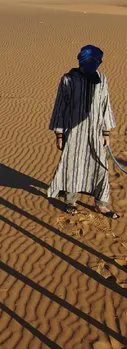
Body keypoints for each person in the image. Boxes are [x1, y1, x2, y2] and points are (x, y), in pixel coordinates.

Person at [47, 44, 119, 218]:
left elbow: (104, 105)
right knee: (73, 166)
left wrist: (106, 132)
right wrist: (59, 134)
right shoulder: (68, 79)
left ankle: (102, 204)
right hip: (74, 133)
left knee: (101, 167)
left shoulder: (102, 78)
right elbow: (60, 107)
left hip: (95, 132)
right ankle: (71, 201)